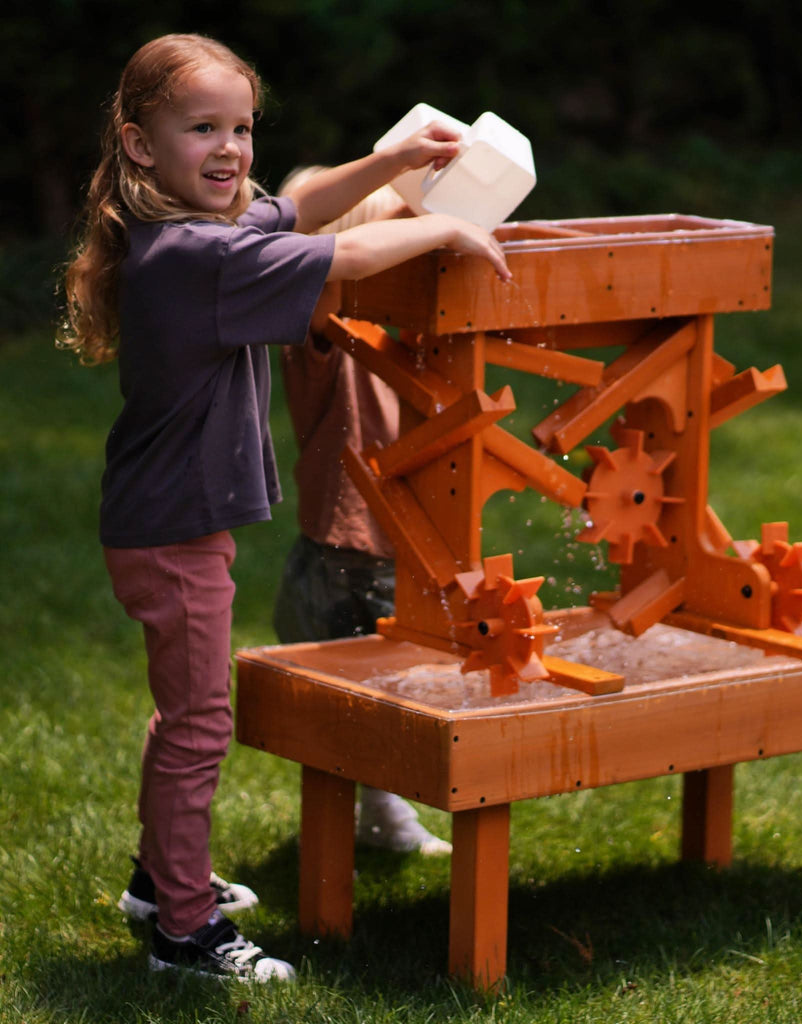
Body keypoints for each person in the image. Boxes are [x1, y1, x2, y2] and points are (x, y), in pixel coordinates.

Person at [60, 32, 509, 982]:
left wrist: (393, 160)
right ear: (140, 144)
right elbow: (343, 251)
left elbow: (299, 206)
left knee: (182, 716)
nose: (229, 148)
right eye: (202, 129)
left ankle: (157, 881)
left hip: (166, 522)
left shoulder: (189, 234)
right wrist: (443, 229)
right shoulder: (198, 255)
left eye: (242, 127)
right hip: (174, 534)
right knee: (197, 727)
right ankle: (184, 932)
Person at [272, 170, 453, 858]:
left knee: (375, 695)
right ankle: (362, 826)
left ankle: (376, 817)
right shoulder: (321, 331)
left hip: (371, 548)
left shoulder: (396, 336)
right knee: (364, 700)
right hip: (348, 557)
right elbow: (330, 274)